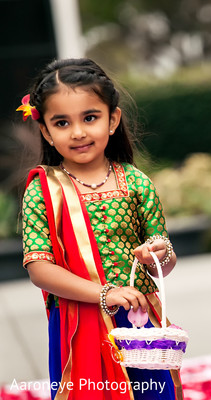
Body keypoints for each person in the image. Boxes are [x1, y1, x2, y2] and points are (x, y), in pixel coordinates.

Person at [19, 58, 182, 400]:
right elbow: (38, 267)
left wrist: (157, 254)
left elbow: (163, 262)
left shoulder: (136, 182)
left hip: (137, 323)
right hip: (77, 327)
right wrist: (104, 294)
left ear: (113, 120)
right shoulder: (43, 189)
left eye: (90, 117)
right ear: (46, 131)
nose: (78, 132)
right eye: (62, 122)